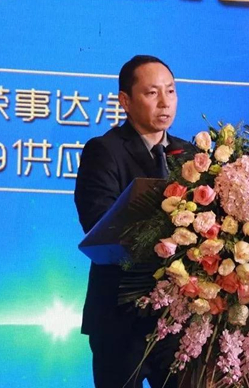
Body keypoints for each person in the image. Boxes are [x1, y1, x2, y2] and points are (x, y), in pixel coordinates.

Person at [74, 55, 193, 388]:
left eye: (171, 91)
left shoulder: (191, 155)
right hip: (121, 318)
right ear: (125, 101)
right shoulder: (104, 150)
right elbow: (98, 221)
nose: (165, 102)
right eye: (152, 93)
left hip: (179, 319)